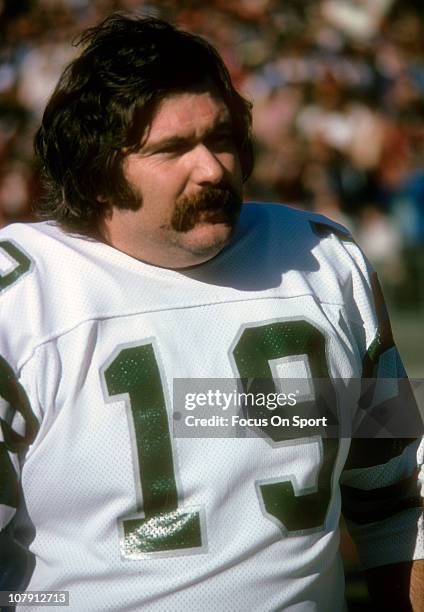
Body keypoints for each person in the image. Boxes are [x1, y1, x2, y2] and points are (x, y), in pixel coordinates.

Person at [0, 13, 422, 612]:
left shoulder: (322, 261)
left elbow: (395, 498)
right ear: (95, 172)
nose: (213, 168)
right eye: (172, 148)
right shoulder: (22, 296)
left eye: (220, 138)